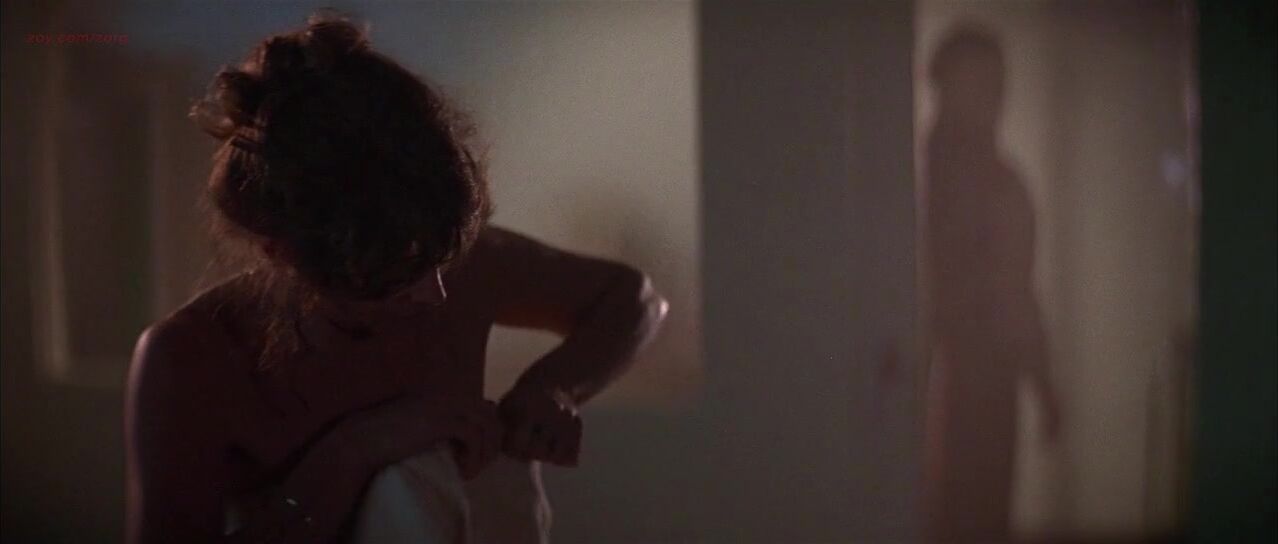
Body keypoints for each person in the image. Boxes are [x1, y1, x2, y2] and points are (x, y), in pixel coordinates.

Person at [124, 13, 668, 543]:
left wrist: (553, 386)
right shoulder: (194, 359)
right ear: (282, 253)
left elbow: (632, 299)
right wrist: (353, 452)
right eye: (393, 279)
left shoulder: (454, 263)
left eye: (442, 262)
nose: (435, 292)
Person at [920, 24, 1062, 543]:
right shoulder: (903, 181)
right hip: (920, 388)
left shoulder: (1000, 187)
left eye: (994, 86)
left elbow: (1014, 293)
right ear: (942, 88)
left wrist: (1042, 384)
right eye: (976, 85)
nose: (991, 100)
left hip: (980, 387)